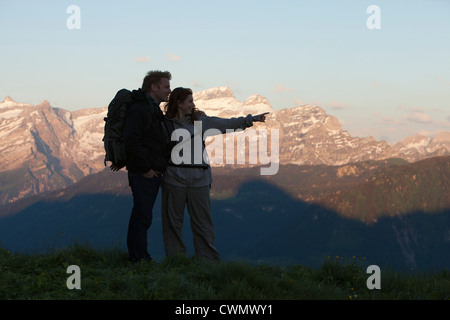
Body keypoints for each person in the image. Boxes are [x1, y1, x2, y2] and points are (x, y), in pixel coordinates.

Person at [161, 87, 268, 262]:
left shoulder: (200, 122)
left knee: (203, 224)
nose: (193, 105)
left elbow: (226, 124)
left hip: (198, 180)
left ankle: (208, 262)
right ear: (179, 103)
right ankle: (176, 261)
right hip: (174, 179)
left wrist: (250, 120)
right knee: (173, 224)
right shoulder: (164, 124)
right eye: (190, 101)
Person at [123, 70, 171, 262]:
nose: (169, 91)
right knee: (142, 216)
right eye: (166, 86)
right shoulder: (141, 109)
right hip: (144, 173)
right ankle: (139, 258)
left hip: (150, 171)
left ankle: (138, 256)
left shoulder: (152, 108)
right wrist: (146, 169)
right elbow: (132, 141)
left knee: (141, 215)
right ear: (154, 86)